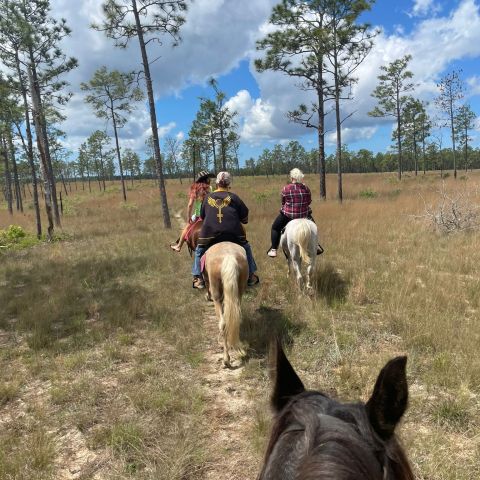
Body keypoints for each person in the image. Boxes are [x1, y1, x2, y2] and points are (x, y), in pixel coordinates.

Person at [192, 171, 260, 289]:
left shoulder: (208, 197)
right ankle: (251, 276)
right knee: (247, 248)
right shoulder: (234, 197)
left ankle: (198, 277)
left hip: (210, 235)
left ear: (217, 183)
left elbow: (202, 217)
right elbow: (245, 218)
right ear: (228, 184)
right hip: (233, 234)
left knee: (199, 250)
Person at [267, 168, 322, 258]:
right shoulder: (306, 188)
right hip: (304, 215)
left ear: (292, 177)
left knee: (275, 228)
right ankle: (317, 245)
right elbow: (309, 202)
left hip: (288, 215)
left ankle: (273, 249)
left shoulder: (286, 188)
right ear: (300, 178)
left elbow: (283, 202)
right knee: (313, 227)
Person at [170, 171, 214, 252]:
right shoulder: (210, 188)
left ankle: (179, 246)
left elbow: (190, 205)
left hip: (199, 215)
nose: (210, 179)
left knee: (187, 227)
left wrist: (189, 217)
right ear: (206, 179)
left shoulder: (195, 189)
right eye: (209, 178)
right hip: (210, 215)